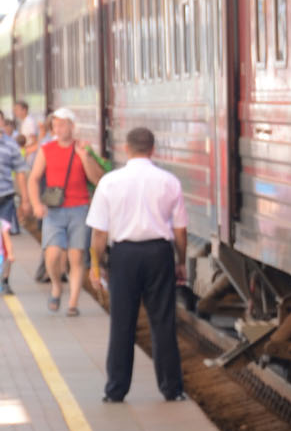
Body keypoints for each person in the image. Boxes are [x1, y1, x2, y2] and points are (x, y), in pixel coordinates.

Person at [85, 126, 188, 403]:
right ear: (153, 150)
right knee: (163, 322)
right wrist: (180, 261)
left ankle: (116, 390)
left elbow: (98, 234)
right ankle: (172, 389)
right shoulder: (169, 181)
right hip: (159, 254)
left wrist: (97, 265)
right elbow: (180, 231)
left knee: (122, 323)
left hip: (124, 256)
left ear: (126, 149)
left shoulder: (109, 182)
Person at [27, 108, 101, 314]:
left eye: (61, 125)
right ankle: (57, 285)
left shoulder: (83, 148)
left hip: (80, 209)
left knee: (76, 257)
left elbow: (96, 180)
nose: (57, 129)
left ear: (72, 126)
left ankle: (73, 303)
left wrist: (85, 157)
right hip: (54, 211)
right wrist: (35, 204)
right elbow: (33, 178)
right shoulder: (46, 149)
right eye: (54, 125)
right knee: (52, 254)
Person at [0, 120, 26, 293]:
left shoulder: (10, 145)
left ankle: (5, 280)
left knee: (5, 235)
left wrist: (25, 200)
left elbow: (20, 172)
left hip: (6, 198)